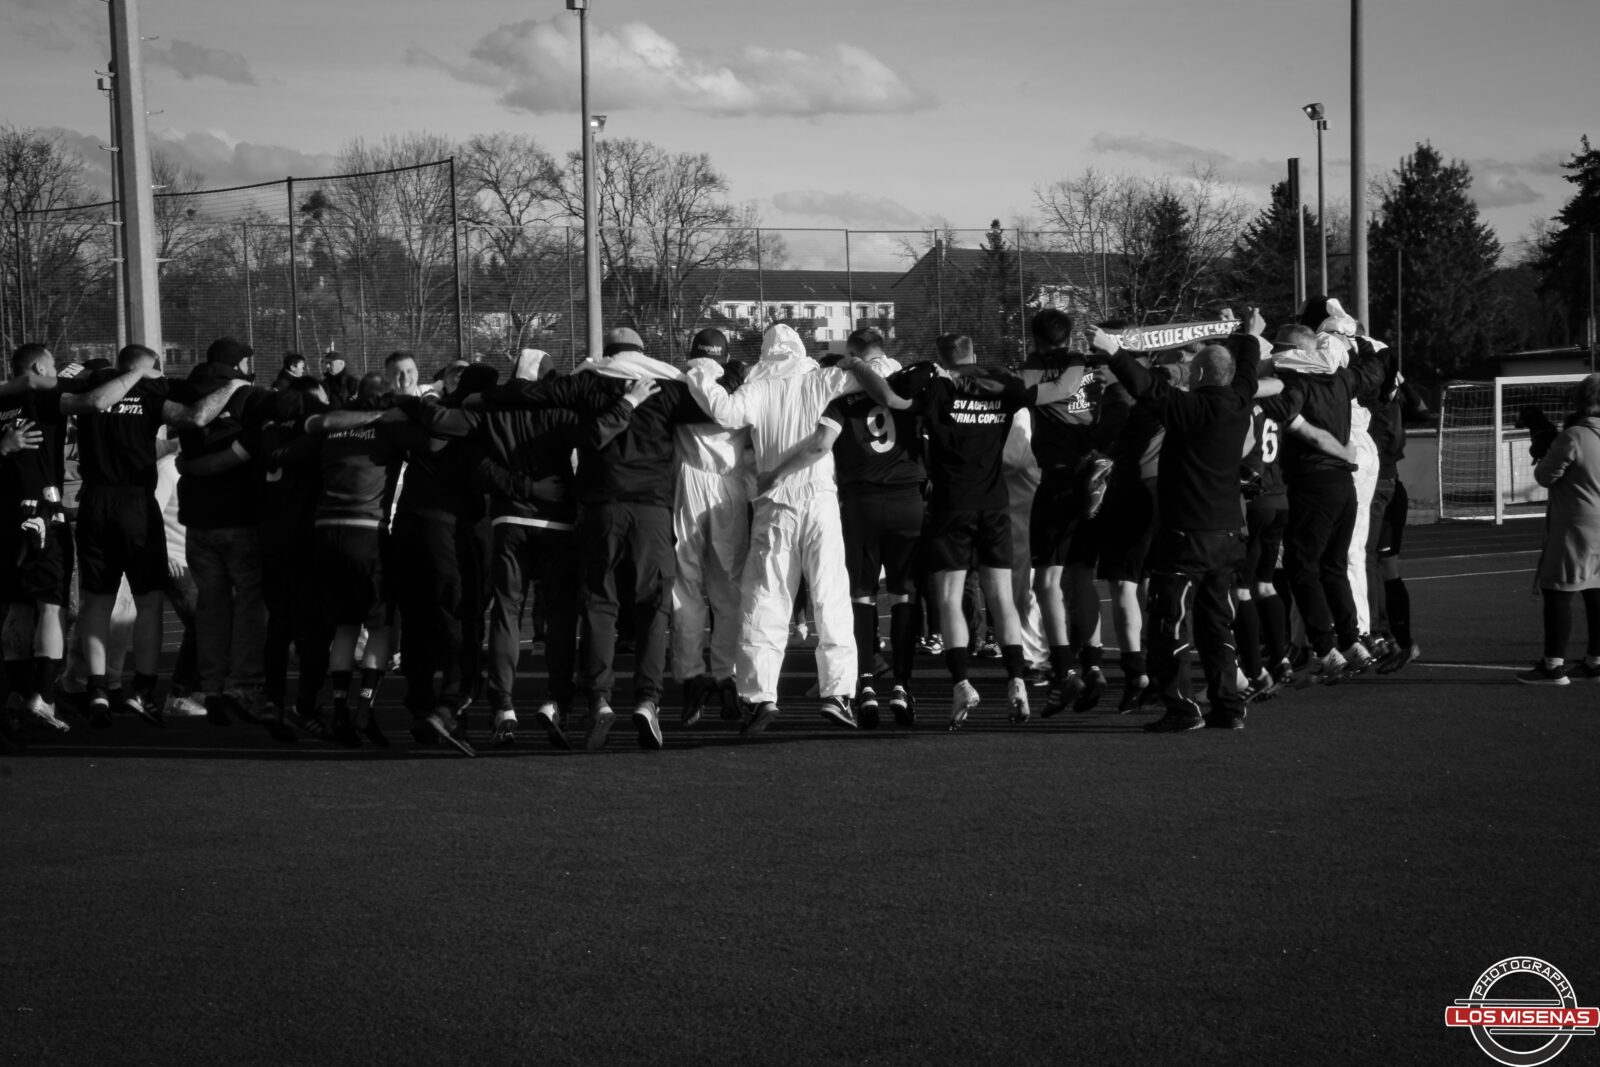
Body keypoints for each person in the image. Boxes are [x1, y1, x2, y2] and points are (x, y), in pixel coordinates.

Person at [474, 328, 700, 752]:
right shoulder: (668, 387)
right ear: (641, 353)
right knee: (652, 606)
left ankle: (598, 698)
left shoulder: (587, 383)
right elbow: (720, 411)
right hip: (652, 508)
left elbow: (531, 395)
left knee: (600, 603)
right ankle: (649, 700)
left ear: (608, 354)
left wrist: (479, 396)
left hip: (599, 509)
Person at [413, 351, 654, 749]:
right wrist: (629, 402)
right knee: (559, 617)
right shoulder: (558, 410)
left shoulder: (489, 408)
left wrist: (429, 395)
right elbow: (597, 434)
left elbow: (457, 441)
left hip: (509, 521)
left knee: (506, 613)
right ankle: (556, 699)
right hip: (557, 523)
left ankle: (503, 706)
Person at [685, 323, 901, 734]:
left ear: (767, 353)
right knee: (831, 598)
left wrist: (699, 372)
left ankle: (760, 695)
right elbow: (886, 368)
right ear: (799, 349)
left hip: (775, 506)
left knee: (765, 602)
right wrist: (856, 361)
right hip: (820, 501)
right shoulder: (820, 379)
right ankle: (837, 692)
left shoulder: (756, 387)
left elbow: (724, 411)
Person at [867, 333, 1084, 729]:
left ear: (941, 358)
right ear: (975, 353)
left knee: (949, 597)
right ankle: (1017, 679)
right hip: (994, 503)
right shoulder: (1002, 386)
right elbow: (1051, 391)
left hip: (951, 504)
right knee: (1001, 597)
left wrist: (859, 367)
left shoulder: (937, 388)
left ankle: (962, 682)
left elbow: (892, 396)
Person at [1090, 323, 1261, 731]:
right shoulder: (1239, 402)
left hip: (1188, 535)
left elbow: (1147, 387)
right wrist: (1251, 335)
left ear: (1200, 376)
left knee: (1170, 623)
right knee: (1217, 625)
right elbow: (1249, 371)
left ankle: (1182, 708)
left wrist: (1114, 351)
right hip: (1228, 535)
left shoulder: (1191, 409)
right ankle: (1228, 706)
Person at [72, 344, 248, 727]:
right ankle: (144, 690)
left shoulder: (92, 387)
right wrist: (233, 385)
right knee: (148, 601)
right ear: (150, 367)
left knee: (97, 602)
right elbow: (196, 416)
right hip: (135, 501)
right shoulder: (151, 393)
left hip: (94, 500)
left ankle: (99, 689)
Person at [0, 345, 170, 731]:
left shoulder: (4, 399)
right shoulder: (41, 396)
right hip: (43, 513)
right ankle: (45, 695)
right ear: (42, 368)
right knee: (50, 605)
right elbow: (95, 401)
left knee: (19, 605)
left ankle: (22, 692)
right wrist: (138, 375)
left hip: (10, 515)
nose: (57, 372)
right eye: (53, 367)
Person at [1259, 322, 1391, 681]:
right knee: (1334, 566)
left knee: (1303, 568)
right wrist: (1360, 341)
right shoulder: (1342, 379)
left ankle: (1325, 647)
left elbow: (1281, 408)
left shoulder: (1295, 383)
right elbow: (1375, 371)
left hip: (1312, 481)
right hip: (1342, 484)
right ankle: (1352, 641)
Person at [818, 328, 926, 728]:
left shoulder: (842, 392)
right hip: (907, 498)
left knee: (861, 597)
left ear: (852, 354)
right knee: (903, 594)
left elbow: (822, 444)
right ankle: (901, 684)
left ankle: (864, 685)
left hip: (862, 501)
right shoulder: (907, 381)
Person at [172, 338, 275, 732]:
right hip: (241, 516)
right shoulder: (249, 395)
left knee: (211, 608)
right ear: (242, 362)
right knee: (251, 603)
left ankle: (211, 688)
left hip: (198, 520)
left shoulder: (185, 391)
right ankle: (243, 685)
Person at [1020, 309, 1107, 716]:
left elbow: (1030, 391)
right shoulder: (1091, 364)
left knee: (1048, 581)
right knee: (1083, 574)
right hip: (1095, 477)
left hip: (1058, 481)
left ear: (1035, 340)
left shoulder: (1035, 370)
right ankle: (1093, 664)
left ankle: (1064, 670)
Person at [670, 328, 753, 727]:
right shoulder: (741, 386)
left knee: (685, 585)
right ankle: (726, 676)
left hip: (689, 481)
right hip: (730, 489)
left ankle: (690, 678)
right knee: (728, 589)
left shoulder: (682, 381)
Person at [1518, 373, 1600, 684]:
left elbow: (1545, 476)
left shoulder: (1575, 436)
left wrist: (1543, 453)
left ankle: (1552, 665)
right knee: (1595, 590)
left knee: (1558, 591)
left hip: (1576, 525)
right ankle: (1595, 660)